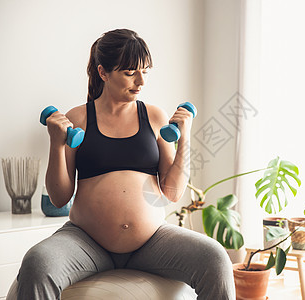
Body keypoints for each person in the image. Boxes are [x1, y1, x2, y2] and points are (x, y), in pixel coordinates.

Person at [14, 29, 235, 299]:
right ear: (103, 73)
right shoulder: (79, 118)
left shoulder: (153, 116)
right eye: (130, 72)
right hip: (86, 240)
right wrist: (55, 143)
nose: (141, 81)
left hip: (152, 240)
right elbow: (59, 198)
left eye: (145, 71)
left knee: (215, 259)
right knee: (38, 262)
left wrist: (185, 136)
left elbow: (173, 193)